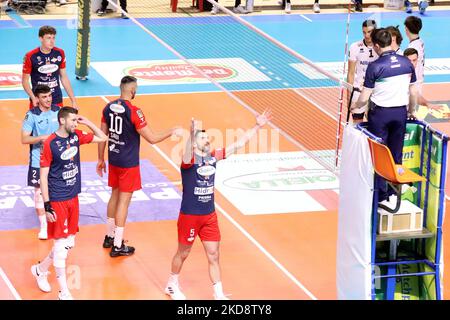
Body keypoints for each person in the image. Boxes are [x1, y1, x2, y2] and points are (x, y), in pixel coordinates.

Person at [165, 110, 272, 300]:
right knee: (183, 253)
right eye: (203, 138)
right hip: (190, 215)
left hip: (208, 215)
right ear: (195, 142)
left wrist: (257, 126)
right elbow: (187, 152)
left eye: (208, 137)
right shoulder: (188, 161)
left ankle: (219, 294)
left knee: (214, 254)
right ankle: (172, 284)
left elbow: (238, 144)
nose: (207, 140)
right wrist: (191, 133)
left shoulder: (213, 156)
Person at [96, 76, 182, 257]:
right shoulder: (135, 111)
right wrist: (172, 130)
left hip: (114, 158)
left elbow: (102, 136)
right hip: (128, 163)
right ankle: (118, 245)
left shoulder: (108, 108)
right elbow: (152, 138)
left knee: (114, 195)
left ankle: (109, 236)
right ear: (132, 90)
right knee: (124, 202)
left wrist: (100, 159)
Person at [31, 107, 107, 300]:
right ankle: (63, 291)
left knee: (68, 243)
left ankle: (40, 269)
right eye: (73, 120)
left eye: (76, 120)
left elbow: (102, 138)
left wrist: (86, 121)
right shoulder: (50, 143)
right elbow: (44, 175)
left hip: (73, 196)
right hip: (57, 199)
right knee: (61, 247)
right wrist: (47, 205)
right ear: (62, 121)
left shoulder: (76, 137)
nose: (75, 123)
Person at [351, 29, 418, 206]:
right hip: (400, 114)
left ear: (377, 46)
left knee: (380, 156)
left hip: (380, 115)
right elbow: (413, 92)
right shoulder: (406, 62)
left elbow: (364, 97)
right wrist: (412, 111)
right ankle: (394, 194)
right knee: (396, 155)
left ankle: (380, 197)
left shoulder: (375, 66)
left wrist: (355, 106)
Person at [21, 85, 60, 240]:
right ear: (37, 99)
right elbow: (24, 139)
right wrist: (42, 138)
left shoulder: (58, 111)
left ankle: (56, 220)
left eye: (49, 95)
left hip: (57, 161)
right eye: (44, 97)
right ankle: (43, 225)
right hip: (39, 160)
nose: (48, 99)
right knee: (39, 192)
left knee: (57, 190)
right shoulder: (31, 115)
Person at [22, 26, 78, 110]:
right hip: (38, 99)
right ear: (41, 38)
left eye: (53, 38)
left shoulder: (60, 53)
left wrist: (73, 100)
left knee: (58, 123)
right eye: (48, 38)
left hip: (56, 98)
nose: (52, 41)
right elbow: (25, 81)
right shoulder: (30, 56)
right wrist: (33, 98)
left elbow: (64, 77)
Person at [347, 20, 378, 119]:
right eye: (364, 32)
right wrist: (349, 95)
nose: (367, 35)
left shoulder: (381, 47)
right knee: (357, 123)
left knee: (372, 123)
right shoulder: (355, 47)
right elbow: (351, 73)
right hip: (359, 90)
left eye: (369, 32)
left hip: (375, 91)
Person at [405, 16, 425, 95]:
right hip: (419, 82)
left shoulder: (412, 47)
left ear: (406, 29)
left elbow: (409, 69)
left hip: (413, 85)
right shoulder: (420, 41)